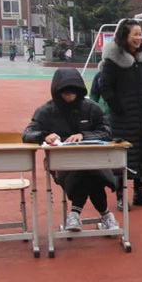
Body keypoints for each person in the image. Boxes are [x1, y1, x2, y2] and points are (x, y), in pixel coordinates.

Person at [23, 67, 119, 232]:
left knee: (89, 171)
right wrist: (44, 136)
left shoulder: (92, 108)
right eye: (63, 91)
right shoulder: (46, 111)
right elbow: (27, 133)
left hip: (92, 160)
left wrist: (83, 135)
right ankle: (106, 215)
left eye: (72, 91)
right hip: (63, 163)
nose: (67, 95)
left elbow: (107, 131)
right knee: (88, 174)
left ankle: (74, 214)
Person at [99, 19, 142, 210]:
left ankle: (140, 193)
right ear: (124, 36)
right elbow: (104, 86)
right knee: (123, 155)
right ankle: (120, 195)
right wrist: (117, 107)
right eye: (135, 34)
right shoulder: (112, 60)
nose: (139, 38)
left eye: (140, 34)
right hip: (122, 117)